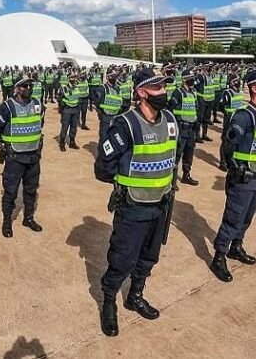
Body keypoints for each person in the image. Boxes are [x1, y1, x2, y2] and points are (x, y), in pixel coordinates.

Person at [94, 68, 176, 337]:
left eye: (164, 87)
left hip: (161, 204)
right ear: (141, 92)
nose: (163, 92)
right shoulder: (125, 124)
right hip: (133, 206)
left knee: (148, 257)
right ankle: (109, 301)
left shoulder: (171, 121)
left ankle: (135, 295)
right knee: (123, 258)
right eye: (157, 88)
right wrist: (124, 184)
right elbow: (103, 167)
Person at [209, 70, 256, 283]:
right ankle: (219, 256)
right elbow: (229, 144)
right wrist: (234, 168)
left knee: (247, 216)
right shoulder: (244, 115)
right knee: (233, 217)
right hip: (243, 176)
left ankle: (236, 247)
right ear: (255, 87)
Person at [0, 77, 45, 238]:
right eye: (23, 86)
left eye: (30, 85)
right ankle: (7, 221)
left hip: (33, 156)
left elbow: (40, 123)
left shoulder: (37, 104)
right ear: (16, 88)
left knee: (31, 190)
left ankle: (28, 218)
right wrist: (4, 145)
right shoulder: (8, 106)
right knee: (10, 192)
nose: (28, 88)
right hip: (15, 157)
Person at [167, 69, 199, 186]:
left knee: (189, 154)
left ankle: (186, 175)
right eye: (190, 78)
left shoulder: (193, 92)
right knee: (177, 155)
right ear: (185, 80)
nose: (193, 80)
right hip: (181, 128)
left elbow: (196, 108)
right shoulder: (178, 93)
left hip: (191, 129)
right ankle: (172, 181)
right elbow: (170, 109)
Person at [218, 74, 245, 172]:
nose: (239, 82)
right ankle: (223, 162)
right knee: (225, 141)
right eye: (237, 80)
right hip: (229, 120)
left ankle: (230, 160)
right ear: (232, 82)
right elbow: (221, 106)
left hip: (237, 120)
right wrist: (226, 113)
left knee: (234, 141)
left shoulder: (240, 92)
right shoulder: (227, 93)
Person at [57, 73, 81, 151]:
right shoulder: (63, 88)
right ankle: (62, 143)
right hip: (67, 110)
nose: (74, 79)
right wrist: (61, 109)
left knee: (74, 127)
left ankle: (72, 142)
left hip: (76, 110)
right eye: (72, 78)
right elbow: (59, 99)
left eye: (75, 78)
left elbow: (79, 97)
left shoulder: (77, 87)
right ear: (68, 79)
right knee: (65, 127)